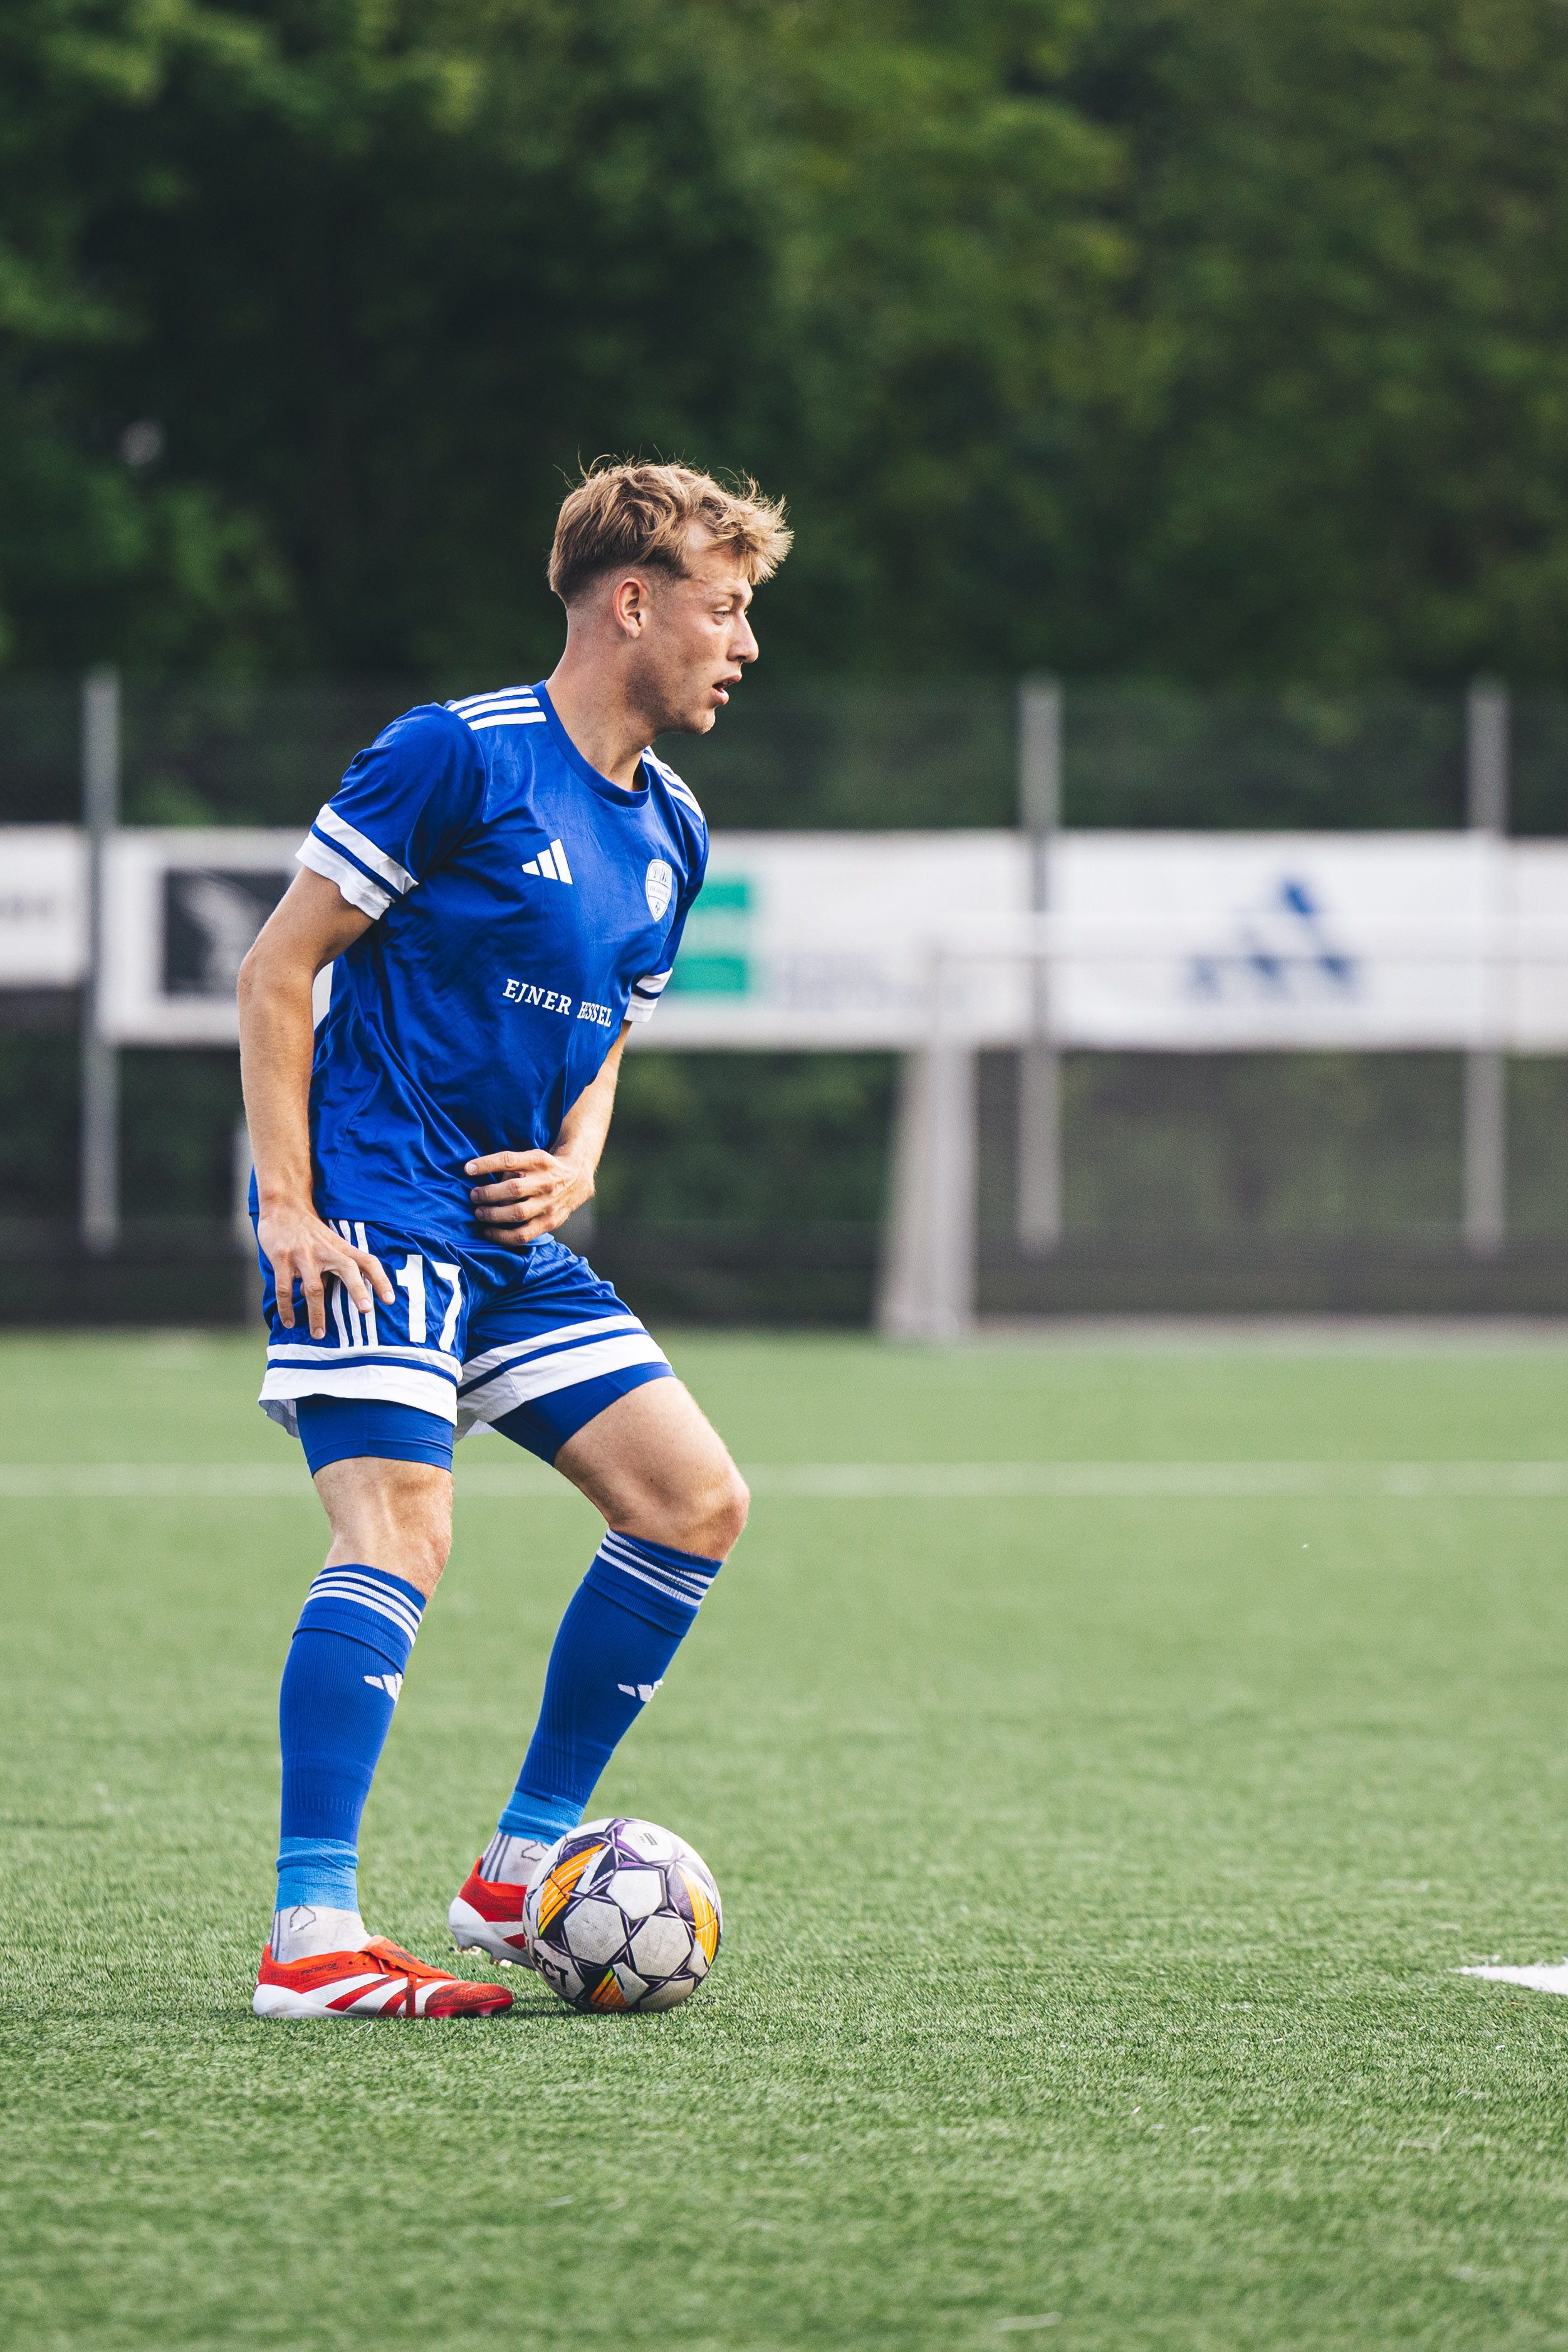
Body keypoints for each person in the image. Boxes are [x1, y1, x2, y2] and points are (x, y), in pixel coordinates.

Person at [238, 460, 791, 2018]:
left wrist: (576, 1166)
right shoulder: (457, 754)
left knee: (693, 1502)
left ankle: (518, 1868)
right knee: (400, 1531)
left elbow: (607, 1036)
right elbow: (278, 969)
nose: (744, 645)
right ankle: (311, 1937)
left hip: (507, 1241)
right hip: (373, 1208)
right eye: (725, 609)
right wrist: (288, 1205)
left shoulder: (675, 829)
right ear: (635, 602)